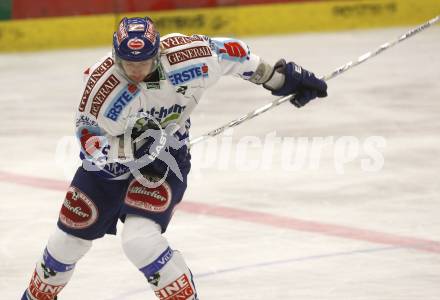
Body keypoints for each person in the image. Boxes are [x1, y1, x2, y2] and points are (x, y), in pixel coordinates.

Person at [22, 16, 327, 300]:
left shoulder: (190, 56)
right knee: (66, 244)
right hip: (108, 170)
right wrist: (129, 149)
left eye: (144, 62)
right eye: (128, 63)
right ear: (116, 57)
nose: (136, 71)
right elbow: (88, 142)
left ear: (159, 53)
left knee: (139, 241)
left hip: (164, 161)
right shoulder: (102, 88)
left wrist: (277, 79)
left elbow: (235, 55)